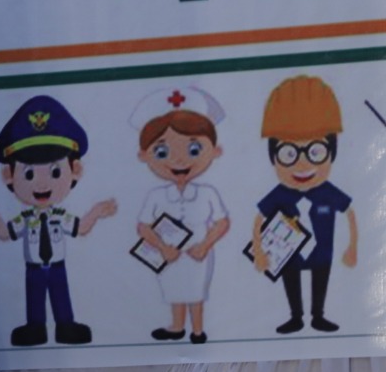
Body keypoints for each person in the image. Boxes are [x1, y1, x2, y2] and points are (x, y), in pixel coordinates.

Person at [0, 94, 117, 346]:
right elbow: (5, 233)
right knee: (34, 298)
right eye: (29, 174)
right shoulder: (25, 218)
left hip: (57, 266)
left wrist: (97, 211)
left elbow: (80, 228)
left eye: (55, 172)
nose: (42, 184)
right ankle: (35, 328)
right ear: (9, 176)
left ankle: (66, 326)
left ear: (75, 171)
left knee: (60, 295)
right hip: (33, 267)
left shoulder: (60, 217)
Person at [252, 74, 357, 333]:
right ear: (273, 156)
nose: (302, 163)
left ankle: (318, 316)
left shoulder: (327, 192)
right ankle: (296, 317)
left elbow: (349, 212)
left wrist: (352, 246)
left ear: (331, 152)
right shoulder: (281, 194)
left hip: (322, 253)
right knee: (291, 280)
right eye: (289, 153)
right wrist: (259, 251)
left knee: (320, 281)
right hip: (289, 254)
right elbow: (259, 218)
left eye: (315, 152)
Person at [130, 86, 231, 344]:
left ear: (215, 151)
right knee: (173, 290)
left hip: (199, 252)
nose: (178, 161)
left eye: (194, 149)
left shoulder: (207, 193)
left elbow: (222, 222)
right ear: (144, 156)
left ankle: (197, 330)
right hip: (169, 254)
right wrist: (162, 247)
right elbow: (143, 226)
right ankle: (177, 327)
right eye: (162, 152)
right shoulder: (156, 196)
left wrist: (205, 245)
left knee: (197, 291)